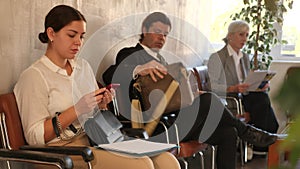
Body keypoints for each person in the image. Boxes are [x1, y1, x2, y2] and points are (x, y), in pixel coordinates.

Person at [102, 12, 279, 169]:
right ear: (144, 29)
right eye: (157, 31)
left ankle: (243, 131)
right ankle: (248, 132)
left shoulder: (162, 60)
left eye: (165, 34)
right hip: (155, 126)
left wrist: (191, 94)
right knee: (210, 99)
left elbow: (172, 97)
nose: (161, 38)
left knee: (227, 132)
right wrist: (139, 68)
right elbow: (109, 75)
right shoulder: (130, 53)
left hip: (174, 119)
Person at [13, 5, 180, 169]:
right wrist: (77, 109)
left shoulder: (83, 67)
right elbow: (35, 137)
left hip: (95, 141)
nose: (78, 42)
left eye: (82, 36)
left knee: (167, 160)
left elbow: (94, 112)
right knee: (142, 165)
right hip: (62, 153)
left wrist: (101, 104)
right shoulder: (34, 76)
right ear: (51, 33)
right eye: (71, 35)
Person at [207, 20, 279, 151]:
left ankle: (263, 141)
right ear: (230, 36)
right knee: (262, 101)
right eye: (241, 35)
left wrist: (259, 85)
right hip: (232, 98)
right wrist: (232, 88)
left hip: (246, 95)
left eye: (247, 35)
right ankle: (261, 144)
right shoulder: (217, 57)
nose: (245, 39)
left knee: (263, 96)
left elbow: (246, 80)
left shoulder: (245, 57)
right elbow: (212, 87)